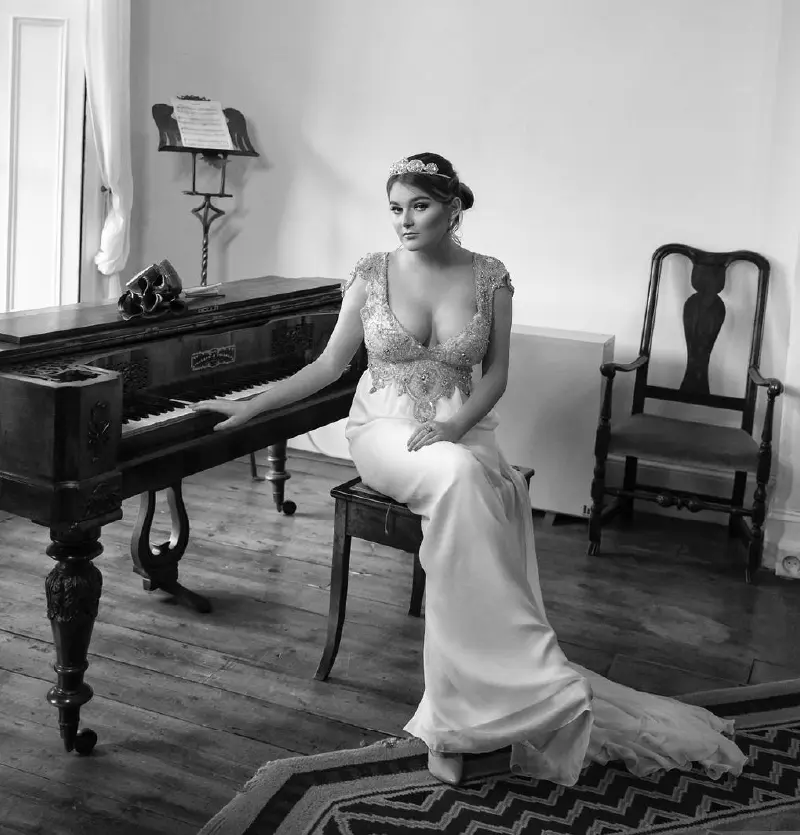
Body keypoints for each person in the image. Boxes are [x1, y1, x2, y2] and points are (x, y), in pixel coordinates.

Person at [192, 152, 747, 787]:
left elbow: (498, 376)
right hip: (383, 431)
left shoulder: (491, 278)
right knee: (457, 478)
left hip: (462, 430)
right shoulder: (372, 273)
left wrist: (455, 427)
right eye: (395, 208)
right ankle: (493, 699)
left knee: (465, 477)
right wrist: (245, 405)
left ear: (453, 207)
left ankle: (486, 705)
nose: (404, 220)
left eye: (419, 206)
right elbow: (327, 367)